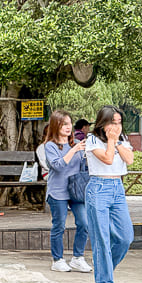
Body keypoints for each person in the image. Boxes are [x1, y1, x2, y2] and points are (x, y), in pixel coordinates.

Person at [85, 105, 135, 283]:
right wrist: (111, 141)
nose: (116, 126)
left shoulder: (122, 140)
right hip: (98, 188)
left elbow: (129, 160)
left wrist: (117, 141)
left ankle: (103, 267)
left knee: (125, 237)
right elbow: (107, 159)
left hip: (117, 188)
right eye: (112, 122)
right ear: (103, 123)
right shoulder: (92, 140)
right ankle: (105, 281)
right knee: (102, 238)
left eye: (119, 122)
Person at [42, 110, 91, 273]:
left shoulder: (76, 142)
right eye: (64, 124)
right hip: (58, 191)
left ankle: (78, 257)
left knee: (84, 223)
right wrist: (74, 150)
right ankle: (57, 259)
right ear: (56, 125)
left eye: (69, 123)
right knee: (59, 226)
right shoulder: (50, 145)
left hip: (76, 190)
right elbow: (58, 165)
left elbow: (83, 165)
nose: (68, 127)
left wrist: (84, 153)